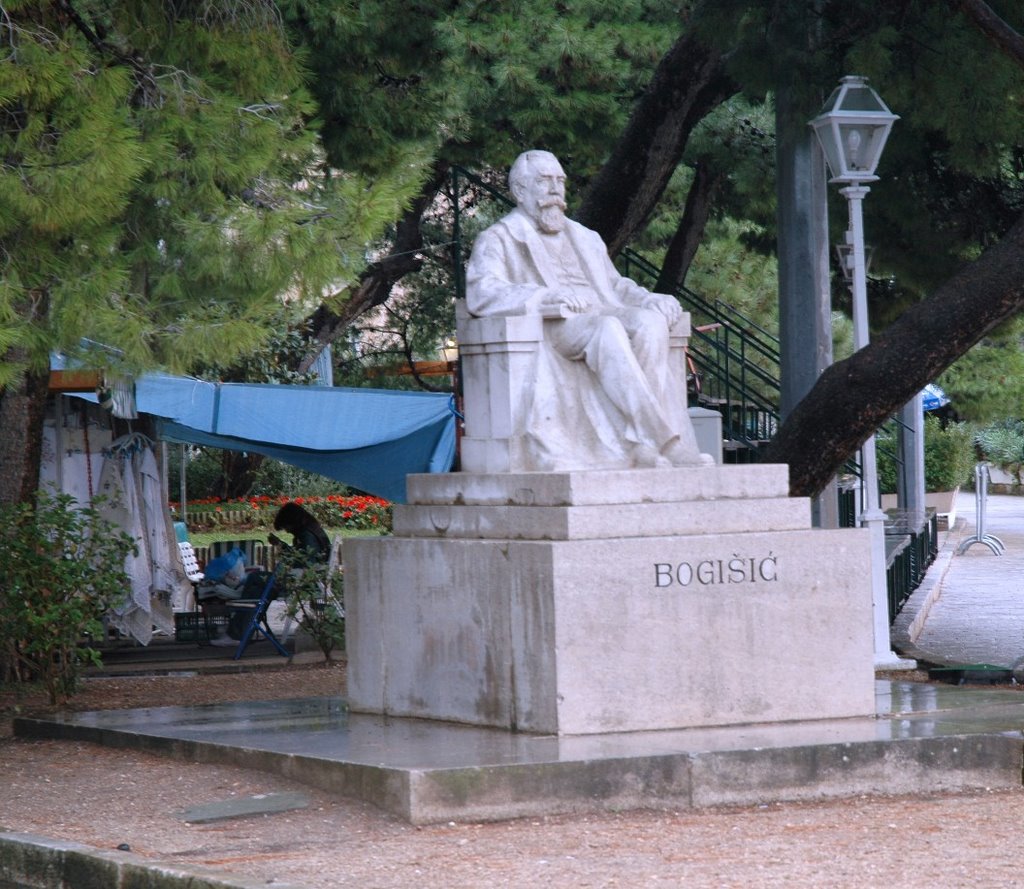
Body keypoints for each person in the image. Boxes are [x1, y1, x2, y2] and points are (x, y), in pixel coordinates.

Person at [465, 149, 711, 470]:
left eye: (559, 181)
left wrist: (649, 299)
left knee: (650, 323)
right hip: (559, 324)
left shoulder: (586, 237)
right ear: (520, 191)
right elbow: (482, 291)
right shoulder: (500, 238)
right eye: (544, 182)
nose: (555, 190)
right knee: (606, 329)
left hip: (602, 309)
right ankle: (665, 442)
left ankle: (640, 445)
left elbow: (616, 285)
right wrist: (544, 299)